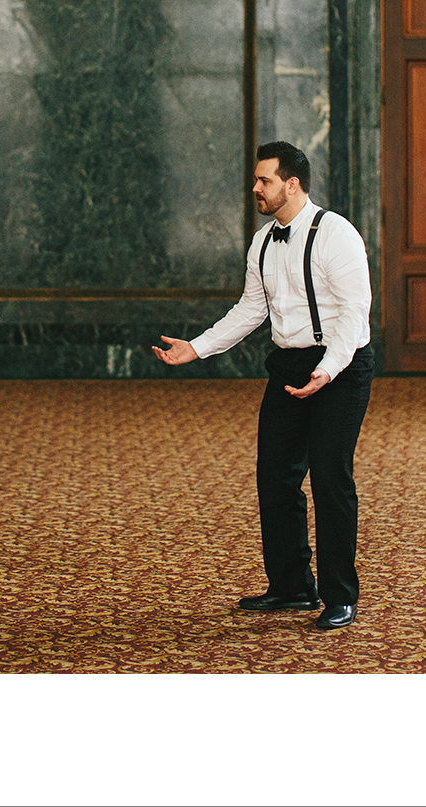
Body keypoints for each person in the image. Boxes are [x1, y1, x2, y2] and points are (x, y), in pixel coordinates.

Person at [152, 142, 374, 630]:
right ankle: (293, 586)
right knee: (275, 477)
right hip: (289, 366)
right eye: (256, 180)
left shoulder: (337, 234)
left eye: (264, 180)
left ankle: (340, 596)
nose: (255, 188)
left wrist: (327, 370)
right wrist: (197, 347)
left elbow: (355, 314)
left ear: (291, 185)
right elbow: (251, 310)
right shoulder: (262, 242)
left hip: (341, 368)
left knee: (330, 479)